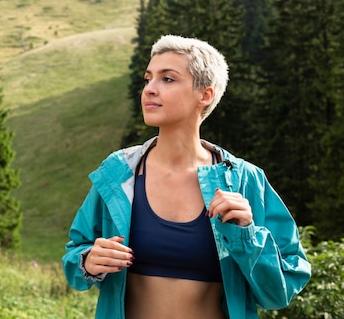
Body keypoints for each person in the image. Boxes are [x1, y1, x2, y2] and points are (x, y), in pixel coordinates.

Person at [62, 35, 311, 319]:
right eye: (148, 79)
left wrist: (248, 235)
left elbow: (280, 291)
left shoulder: (245, 180)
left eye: (167, 79)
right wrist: (88, 260)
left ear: (205, 95)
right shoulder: (118, 173)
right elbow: (75, 256)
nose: (149, 90)